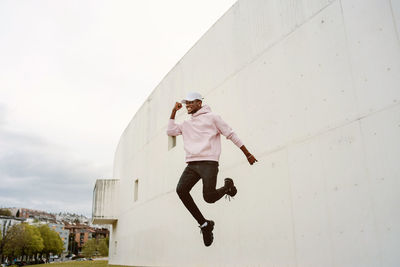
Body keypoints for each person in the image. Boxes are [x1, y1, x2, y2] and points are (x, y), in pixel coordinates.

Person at [166, 92, 257, 247]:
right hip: (192, 164)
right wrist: (174, 111)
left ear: (199, 103)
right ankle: (205, 225)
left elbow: (230, 134)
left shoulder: (213, 117)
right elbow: (170, 131)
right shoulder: (186, 124)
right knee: (181, 190)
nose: (187, 105)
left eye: (190, 103)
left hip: (209, 163)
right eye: (186, 103)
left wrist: (247, 153)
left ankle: (227, 186)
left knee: (209, 198)